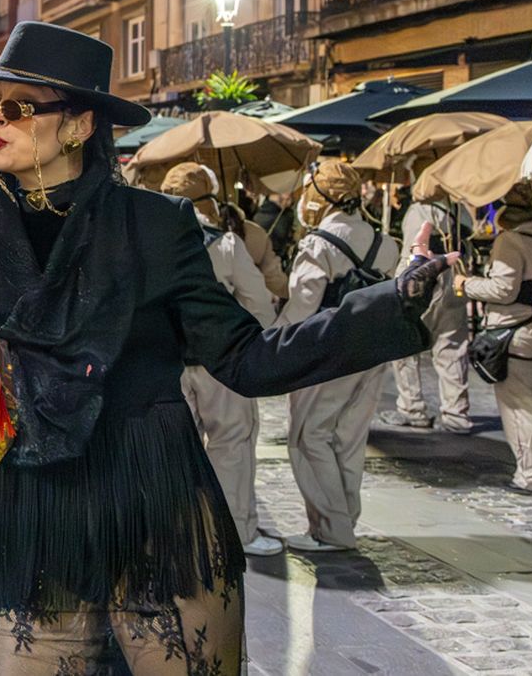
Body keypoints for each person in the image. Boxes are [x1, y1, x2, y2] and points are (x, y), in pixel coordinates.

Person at [0, 23, 442, 674]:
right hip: (42, 507)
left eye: (17, 106)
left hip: (155, 497)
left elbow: (247, 358)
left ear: (76, 125)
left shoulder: (156, 225)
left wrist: (391, 303)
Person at [158, 164, 283, 557]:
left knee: (175, 451)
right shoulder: (226, 244)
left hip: (168, 362)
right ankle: (234, 535)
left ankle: (177, 537)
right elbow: (259, 303)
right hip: (222, 362)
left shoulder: (149, 243)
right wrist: (248, 343)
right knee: (232, 446)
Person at [278, 160, 402, 553]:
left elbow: (301, 307)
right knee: (349, 438)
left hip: (327, 351)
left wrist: (271, 341)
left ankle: (329, 530)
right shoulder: (386, 243)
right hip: (372, 351)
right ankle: (345, 520)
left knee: (309, 435)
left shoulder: (318, 244)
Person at [455, 183, 532, 497]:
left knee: (521, 404)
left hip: (519, 331)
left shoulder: (510, 240)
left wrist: (465, 283)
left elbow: (503, 290)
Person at [381, 194, 475, 431]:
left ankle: (412, 408)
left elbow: (410, 253)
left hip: (421, 276)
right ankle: (456, 414)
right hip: (452, 275)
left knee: (404, 344)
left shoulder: (418, 211)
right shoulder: (458, 208)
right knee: (451, 345)